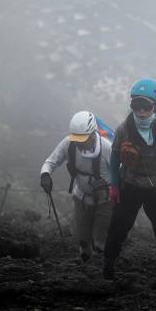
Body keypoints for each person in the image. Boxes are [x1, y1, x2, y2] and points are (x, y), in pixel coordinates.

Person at [103, 78, 156, 290]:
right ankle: (108, 268)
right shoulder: (124, 129)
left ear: (155, 106)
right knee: (118, 227)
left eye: (145, 105)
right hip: (130, 185)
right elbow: (115, 158)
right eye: (135, 105)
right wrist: (114, 186)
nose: (140, 111)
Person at [40, 110, 112, 262]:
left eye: (83, 139)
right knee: (81, 236)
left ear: (93, 134)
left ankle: (102, 265)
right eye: (76, 139)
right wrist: (45, 174)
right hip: (81, 197)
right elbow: (51, 161)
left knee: (101, 237)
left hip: (106, 199)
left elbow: (121, 172)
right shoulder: (69, 144)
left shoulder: (107, 148)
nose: (79, 142)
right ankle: (86, 262)